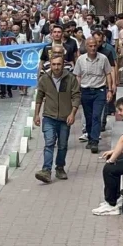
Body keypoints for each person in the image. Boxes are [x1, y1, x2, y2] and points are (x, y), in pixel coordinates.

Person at [33, 54, 81, 183]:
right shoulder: (44, 79)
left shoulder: (70, 79)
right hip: (49, 116)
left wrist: (72, 114)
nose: (56, 67)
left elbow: (76, 96)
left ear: (63, 64)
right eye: (54, 64)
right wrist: (36, 114)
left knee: (62, 145)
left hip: (65, 118)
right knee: (49, 143)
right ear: (50, 64)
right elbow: (39, 97)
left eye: (59, 64)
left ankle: (60, 168)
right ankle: (46, 171)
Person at [72, 37, 114, 154]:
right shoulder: (81, 60)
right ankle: (90, 138)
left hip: (99, 91)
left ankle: (95, 141)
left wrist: (109, 90)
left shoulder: (103, 59)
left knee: (97, 116)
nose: (93, 48)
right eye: (90, 46)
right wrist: (77, 91)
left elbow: (108, 74)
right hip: (85, 91)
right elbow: (78, 76)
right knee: (88, 116)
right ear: (86, 47)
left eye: (95, 45)